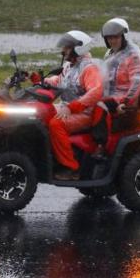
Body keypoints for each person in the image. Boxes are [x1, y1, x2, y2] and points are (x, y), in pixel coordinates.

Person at [45, 30, 104, 180]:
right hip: (67, 107)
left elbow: (96, 92)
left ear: (79, 48)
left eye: (67, 47)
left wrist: (72, 107)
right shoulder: (69, 66)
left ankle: (71, 168)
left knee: (56, 124)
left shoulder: (89, 68)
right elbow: (58, 81)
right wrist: (40, 80)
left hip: (83, 113)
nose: (63, 50)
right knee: (42, 113)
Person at [101, 17, 140, 109]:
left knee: (97, 107)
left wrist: (126, 102)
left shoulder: (133, 55)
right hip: (109, 97)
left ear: (124, 36)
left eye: (116, 37)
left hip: (122, 100)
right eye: (109, 38)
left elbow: (137, 81)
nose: (112, 41)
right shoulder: (112, 53)